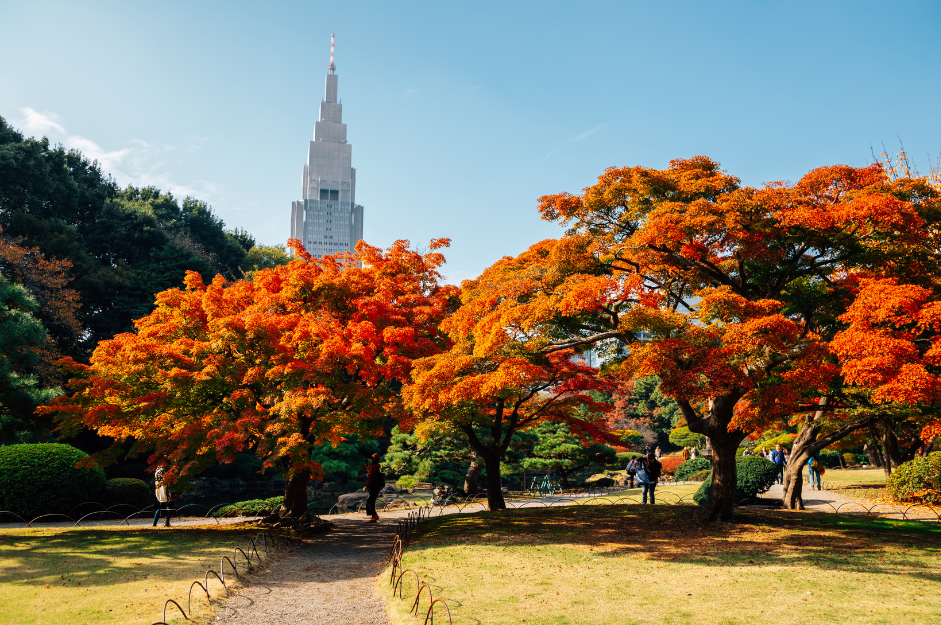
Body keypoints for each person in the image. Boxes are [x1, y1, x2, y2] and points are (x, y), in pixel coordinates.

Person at [363, 453, 384, 523]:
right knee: (371, 501)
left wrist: (367, 486)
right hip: (374, 487)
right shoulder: (374, 468)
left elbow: (374, 479)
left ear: (373, 460)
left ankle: (375, 515)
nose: (371, 460)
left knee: (369, 501)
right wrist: (368, 469)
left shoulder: (375, 468)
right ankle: (373, 517)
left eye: (371, 459)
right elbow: (372, 476)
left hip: (374, 487)